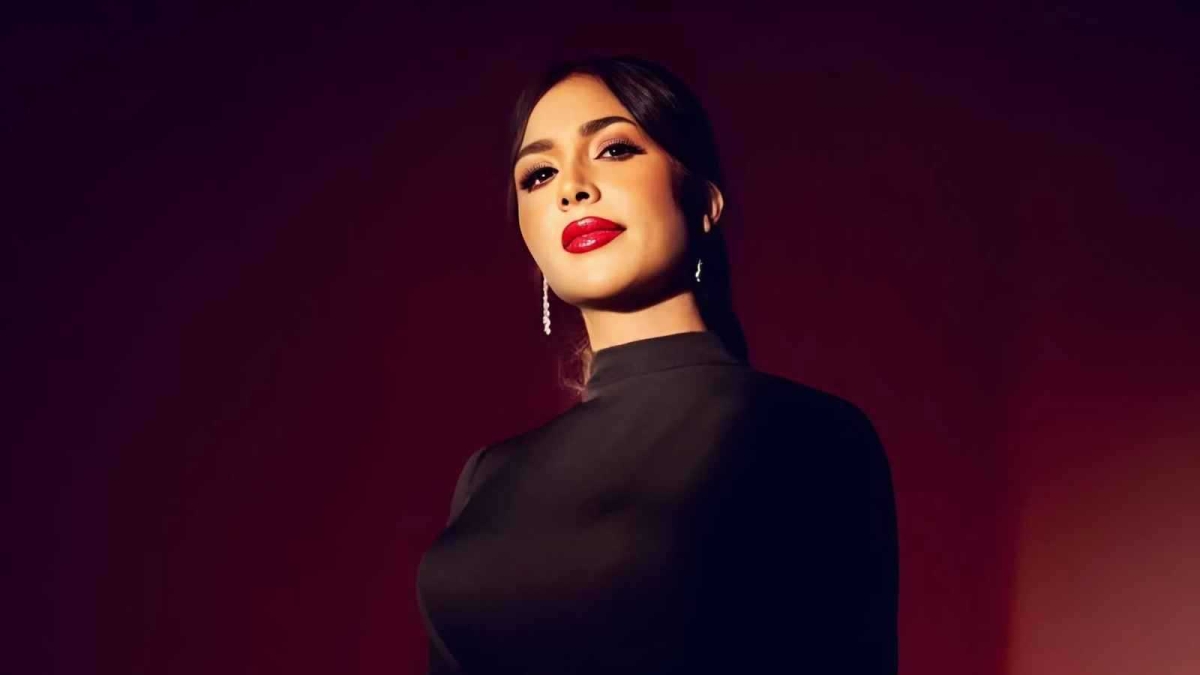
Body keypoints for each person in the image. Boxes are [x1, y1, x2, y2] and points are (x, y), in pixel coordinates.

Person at [415, 54, 899, 674]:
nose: (571, 187)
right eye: (539, 174)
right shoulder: (486, 477)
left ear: (704, 201)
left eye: (615, 150)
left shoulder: (807, 433)